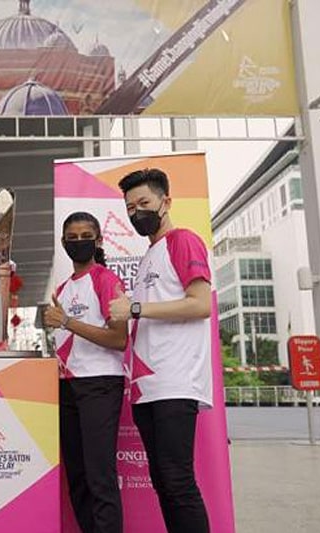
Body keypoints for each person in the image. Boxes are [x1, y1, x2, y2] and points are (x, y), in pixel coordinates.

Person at [109, 168, 212, 533]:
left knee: (177, 481)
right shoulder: (150, 255)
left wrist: (136, 308)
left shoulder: (183, 240)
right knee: (165, 483)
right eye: (130, 207)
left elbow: (201, 305)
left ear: (165, 202)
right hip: (146, 386)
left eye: (144, 203)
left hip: (175, 380)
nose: (137, 213)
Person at [44, 212, 128, 533]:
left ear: (98, 241)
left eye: (85, 236)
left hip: (100, 384)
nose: (78, 242)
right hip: (67, 386)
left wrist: (67, 322)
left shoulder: (105, 280)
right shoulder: (63, 289)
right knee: (77, 477)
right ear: (64, 243)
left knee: (99, 475)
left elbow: (118, 339)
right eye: (72, 237)